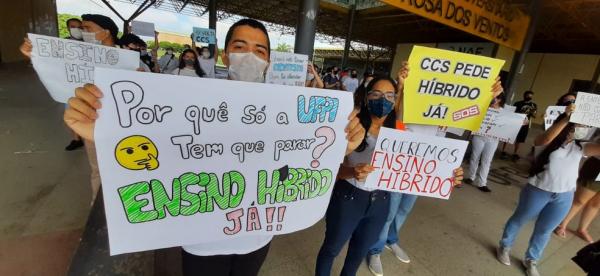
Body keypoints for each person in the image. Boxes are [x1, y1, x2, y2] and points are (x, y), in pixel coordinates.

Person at [64, 18, 366, 276]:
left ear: (269, 60)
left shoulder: (286, 109)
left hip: (257, 237)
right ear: (224, 55)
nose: (250, 55)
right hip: (201, 242)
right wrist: (103, 131)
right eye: (240, 47)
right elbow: (155, 143)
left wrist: (343, 144)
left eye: (260, 49)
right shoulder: (186, 99)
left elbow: (306, 155)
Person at [315, 73, 466, 276]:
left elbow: (423, 165)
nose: (382, 100)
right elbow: (330, 168)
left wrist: (449, 174)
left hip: (381, 202)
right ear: (367, 96)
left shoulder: (402, 131)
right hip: (348, 198)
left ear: (396, 99)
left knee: (358, 253)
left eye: (389, 96)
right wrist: (352, 171)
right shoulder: (353, 125)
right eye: (376, 94)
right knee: (331, 248)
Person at [365, 62, 503, 276]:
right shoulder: (408, 106)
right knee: (390, 212)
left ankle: (392, 240)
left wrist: (488, 95)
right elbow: (398, 119)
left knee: (404, 209)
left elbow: (470, 114)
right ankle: (375, 249)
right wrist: (402, 85)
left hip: (423, 169)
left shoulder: (445, 114)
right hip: (400, 166)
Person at [496, 108, 600, 276]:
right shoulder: (546, 140)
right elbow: (545, 138)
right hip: (538, 190)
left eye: (586, 125)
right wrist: (567, 118)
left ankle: (531, 259)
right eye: (580, 124)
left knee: (545, 230)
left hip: (564, 196)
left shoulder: (581, 147)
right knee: (519, 219)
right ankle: (505, 246)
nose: (584, 127)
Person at [554, 132, 600, 244]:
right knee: (580, 200)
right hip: (597, 165)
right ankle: (561, 223)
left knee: (596, 203)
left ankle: (582, 229)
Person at [464, 94, 506, 193]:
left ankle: (482, 183)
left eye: (496, 98)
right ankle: (471, 177)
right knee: (475, 157)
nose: (494, 99)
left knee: (486, 161)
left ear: (500, 100)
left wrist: (521, 122)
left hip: (493, 140)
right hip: (479, 136)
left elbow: (511, 123)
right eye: (493, 97)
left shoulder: (503, 112)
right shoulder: (483, 108)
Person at [500, 90, 537, 161]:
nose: (529, 97)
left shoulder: (533, 105)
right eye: (528, 95)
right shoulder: (517, 103)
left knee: (519, 139)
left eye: (530, 96)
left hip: (525, 124)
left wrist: (532, 112)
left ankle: (515, 153)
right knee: (508, 136)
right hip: (515, 122)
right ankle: (503, 151)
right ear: (524, 95)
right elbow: (512, 112)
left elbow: (534, 115)